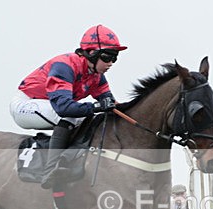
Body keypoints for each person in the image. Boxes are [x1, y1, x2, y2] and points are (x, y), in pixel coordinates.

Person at [9, 24, 127, 189]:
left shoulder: (96, 76)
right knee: (72, 115)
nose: (111, 63)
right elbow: (64, 108)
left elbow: (110, 105)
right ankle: (50, 170)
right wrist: (97, 106)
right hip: (25, 104)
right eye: (107, 57)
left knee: (95, 117)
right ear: (92, 53)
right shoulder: (64, 66)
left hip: (51, 106)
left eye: (115, 58)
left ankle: (68, 158)